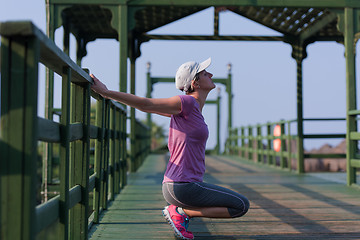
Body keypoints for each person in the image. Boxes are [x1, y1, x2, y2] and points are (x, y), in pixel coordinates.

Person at [90, 58, 249, 240]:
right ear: (195, 82)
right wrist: (106, 93)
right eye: (205, 73)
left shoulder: (192, 109)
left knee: (239, 205)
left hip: (182, 185)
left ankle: (181, 211)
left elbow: (148, 107)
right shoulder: (185, 103)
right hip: (182, 186)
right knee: (241, 205)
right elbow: (146, 104)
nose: (211, 74)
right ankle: (181, 212)